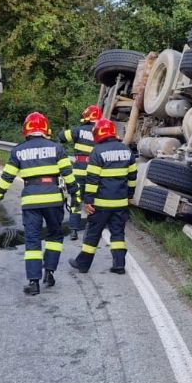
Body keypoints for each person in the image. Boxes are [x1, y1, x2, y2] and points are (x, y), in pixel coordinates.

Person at [0, 112, 79, 295]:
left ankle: (34, 283)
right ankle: (49, 272)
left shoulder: (18, 151)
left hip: (31, 201)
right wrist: (75, 195)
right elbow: (68, 176)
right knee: (55, 236)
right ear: (45, 129)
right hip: (53, 200)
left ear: (26, 130)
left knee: (32, 241)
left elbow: (7, 177)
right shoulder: (57, 148)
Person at [69, 118, 137, 275]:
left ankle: (82, 264)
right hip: (120, 203)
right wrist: (129, 195)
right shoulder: (126, 151)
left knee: (93, 234)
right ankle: (119, 265)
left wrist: (88, 201)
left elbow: (92, 179)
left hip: (100, 204)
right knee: (118, 233)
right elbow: (132, 177)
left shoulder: (97, 152)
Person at [58, 104, 101, 241]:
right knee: (93, 201)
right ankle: (91, 230)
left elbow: (62, 136)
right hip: (96, 173)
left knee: (76, 201)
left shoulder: (78, 130)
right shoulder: (102, 132)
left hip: (79, 171)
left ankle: (74, 231)